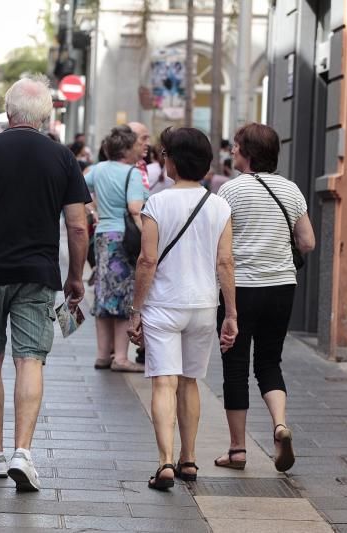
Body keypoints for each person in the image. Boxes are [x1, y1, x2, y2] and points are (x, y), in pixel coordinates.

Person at [0, 76, 89, 491]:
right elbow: (78, 227)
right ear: (45, 116)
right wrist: (76, 276)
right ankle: (23, 453)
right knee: (30, 359)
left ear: (9, 114)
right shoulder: (62, 158)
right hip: (37, 274)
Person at [127, 127, 237, 490]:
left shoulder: (157, 202)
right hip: (204, 305)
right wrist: (231, 314)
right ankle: (188, 459)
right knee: (190, 383)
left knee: (164, 382)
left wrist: (136, 309)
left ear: (171, 160)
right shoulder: (220, 205)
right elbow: (226, 264)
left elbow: (147, 260)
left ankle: (165, 463)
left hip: (163, 304)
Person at [214, 123, 316, 473]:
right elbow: (308, 242)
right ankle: (279, 425)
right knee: (270, 362)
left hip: (240, 290)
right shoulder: (290, 190)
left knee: (236, 366)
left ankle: (238, 451)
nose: (232, 151)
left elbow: (219, 244)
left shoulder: (230, 191)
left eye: (236, 146)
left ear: (247, 152)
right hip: (282, 288)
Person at [84, 126, 147, 372]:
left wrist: (93, 210)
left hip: (102, 237)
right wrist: (150, 237)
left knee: (103, 295)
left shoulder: (97, 169)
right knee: (123, 299)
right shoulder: (131, 173)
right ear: (127, 149)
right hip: (124, 240)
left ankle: (102, 355)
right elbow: (134, 208)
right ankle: (120, 357)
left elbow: (77, 186)